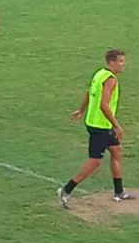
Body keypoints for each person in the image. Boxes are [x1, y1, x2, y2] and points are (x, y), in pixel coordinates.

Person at [57, 50, 134, 208]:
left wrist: (81, 110)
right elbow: (104, 105)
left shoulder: (100, 74)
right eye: (120, 61)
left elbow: (89, 92)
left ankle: (119, 192)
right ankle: (66, 189)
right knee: (95, 162)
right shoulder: (110, 80)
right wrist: (116, 125)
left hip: (94, 123)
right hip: (101, 126)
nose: (123, 64)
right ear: (112, 63)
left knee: (117, 150)